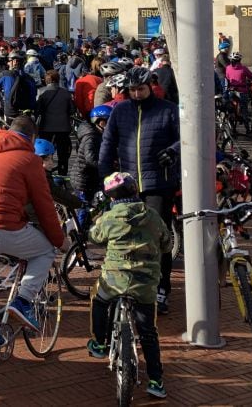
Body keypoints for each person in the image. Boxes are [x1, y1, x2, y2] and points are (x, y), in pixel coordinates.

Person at [0, 116, 70, 333]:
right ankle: (23, 301)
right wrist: (59, 240)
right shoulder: (30, 160)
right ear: (33, 137)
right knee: (45, 251)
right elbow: (45, 206)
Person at [98, 65, 180, 315]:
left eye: (140, 89)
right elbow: (108, 143)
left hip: (159, 184)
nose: (135, 94)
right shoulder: (120, 111)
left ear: (149, 87)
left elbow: (184, 138)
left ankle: (161, 288)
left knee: (157, 238)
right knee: (126, 238)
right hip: (127, 186)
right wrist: (104, 177)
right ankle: (127, 286)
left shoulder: (168, 110)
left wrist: (173, 151)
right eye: (131, 90)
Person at [86, 171, 171, 400]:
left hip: (115, 279)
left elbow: (95, 236)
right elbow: (167, 242)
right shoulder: (152, 216)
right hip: (145, 281)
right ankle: (156, 381)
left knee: (99, 299)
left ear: (111, 198)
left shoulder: (110, 217)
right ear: (136, 191)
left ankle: (100, 344)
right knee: (148, 332)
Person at [34, 69, 76, 176]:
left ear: (46, 80)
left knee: (44, 152)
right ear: (58, 79)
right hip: (63, 127)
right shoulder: (65, 93)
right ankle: (63, 173)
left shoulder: (42, 92)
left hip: (46, 127)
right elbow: (72, 110)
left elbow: (37, 110)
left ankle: (45, 173)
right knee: (63, 153)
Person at [0, 51, 37, 118]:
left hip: (11, 113)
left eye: (9, 60)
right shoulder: (30, 79)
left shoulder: (5, 74)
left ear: (15, 62)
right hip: (28, 114)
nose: (8, 63)